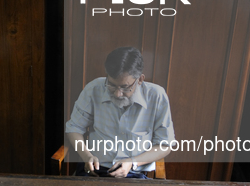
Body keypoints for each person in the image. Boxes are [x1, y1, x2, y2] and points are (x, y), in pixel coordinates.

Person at [65, 46, 175, 178]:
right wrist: (86, 156)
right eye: (111, 84)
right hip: (94, 170)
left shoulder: (157, 96)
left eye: (125, 87)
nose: (117, 94)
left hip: (134, 172)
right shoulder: (94, 89)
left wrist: (132, 162)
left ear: (140, 79)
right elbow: (74, 128)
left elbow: (165, 145)